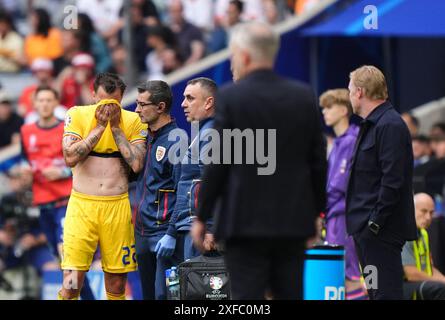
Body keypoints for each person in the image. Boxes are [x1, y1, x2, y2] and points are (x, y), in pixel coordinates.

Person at [192, 22, 326, 300]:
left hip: (244, 222)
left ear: (244, 55)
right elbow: (317, 160)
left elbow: (219, 163)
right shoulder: (303, 96)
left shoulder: (231, 97)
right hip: (292, 220)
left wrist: (202, 215)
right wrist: (317, 212)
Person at [59, 73, 148, 300]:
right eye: (102, 101)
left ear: (122, 98)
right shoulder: (77, 114)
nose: (108, 108)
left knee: (117, 284)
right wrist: (99, 127)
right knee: (71, 282)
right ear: (92, 95)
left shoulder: (133, 120)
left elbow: (137, 164)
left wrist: (116, 128)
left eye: (114, 103)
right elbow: (69, 157)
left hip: (116, 207)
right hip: (82, 207)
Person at [346, 65, 417, 300]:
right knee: (376, 293)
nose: (349, 97)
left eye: (349, 91)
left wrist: (374, 223)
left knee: (386, 295)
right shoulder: (374, 125)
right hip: (368, 234)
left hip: (379, 233)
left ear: (359, 92)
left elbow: (392, 181)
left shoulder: (390, 125)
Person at [132, 80, 183, 300]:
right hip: (142, 231)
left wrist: (172, 233)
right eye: (137, 103)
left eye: (143, 105)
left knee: (169, 297)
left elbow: (184, 192)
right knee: (149, 296)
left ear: (160, 107)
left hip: (164, 234)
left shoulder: (176, 142)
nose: (137, 110)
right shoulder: (145, 138)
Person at [164, 78, 218, 266]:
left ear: (208, 102)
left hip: (203, 232)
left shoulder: (211, 134)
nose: (183, 104)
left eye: (190, 98)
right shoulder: (201, 133)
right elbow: (187, 184)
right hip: (193, 227)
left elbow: (215, 184)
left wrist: (211, 228)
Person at [319, 88, 366, 300]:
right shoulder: (338, 142)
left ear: (343, 109)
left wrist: (318, 207)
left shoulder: (351, 140)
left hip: (344, 216)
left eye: (329, 107)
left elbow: (338, 185)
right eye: (323, 108)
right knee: (341, 274)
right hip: (334, 215)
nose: (325, 112)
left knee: (350, 273)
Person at [401, 193, 445, 300]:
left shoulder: (423, 233)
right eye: (424, 211)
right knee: (440, 289)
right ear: (411, 209)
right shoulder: (403, 232)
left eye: (431, 212)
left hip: (420, 283)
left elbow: (430, 268)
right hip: (401, 286)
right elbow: (410, 273)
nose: (428, 217)